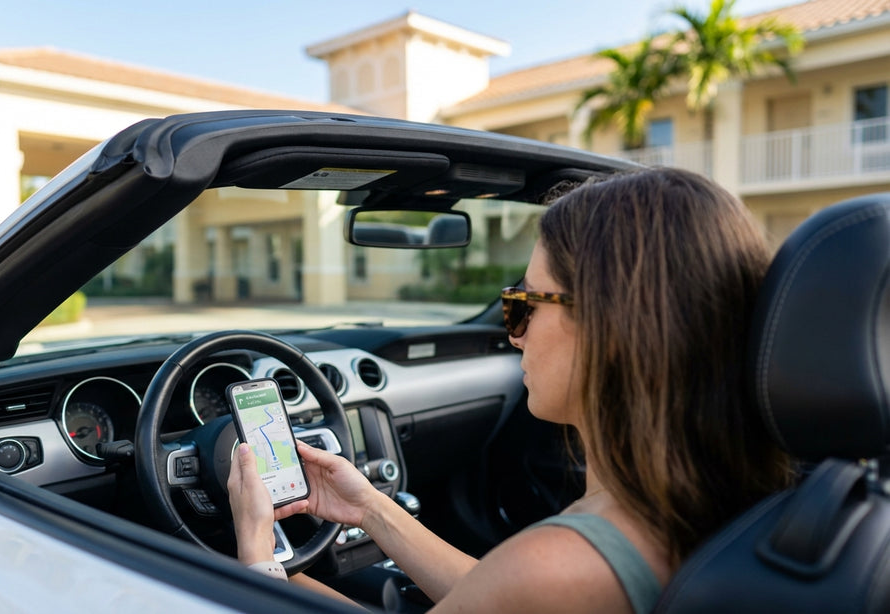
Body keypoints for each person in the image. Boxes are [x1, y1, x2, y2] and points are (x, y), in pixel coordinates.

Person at [228, 167, 793, 613]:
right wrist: (370, 508)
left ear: (612, 329)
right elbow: (501, 594)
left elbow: (530, 584)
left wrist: (259, 560)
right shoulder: (715, 494)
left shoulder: (565, 566)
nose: (512, 336)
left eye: (523, 305)